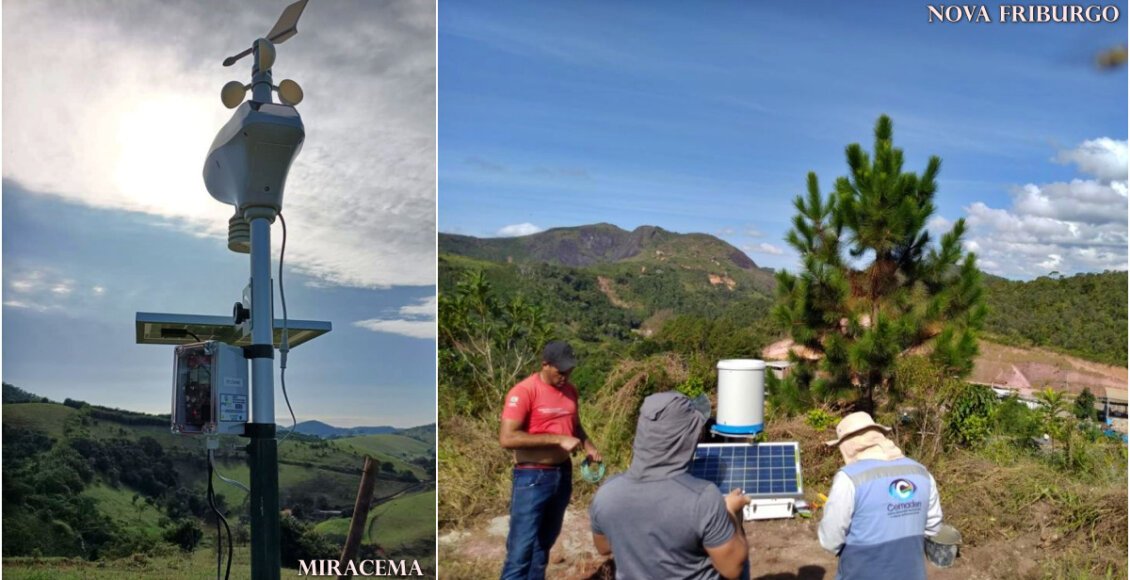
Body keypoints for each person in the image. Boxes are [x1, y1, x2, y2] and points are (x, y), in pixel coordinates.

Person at [589, 391, 751, 580]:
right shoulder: (703, 498)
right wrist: (730, 512)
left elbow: (603, 547)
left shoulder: (606, 493)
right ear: (686, 438)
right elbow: (733, 568)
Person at [498, 340, 602, 580]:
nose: (565, 376)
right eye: (560, 371)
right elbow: (507, 438)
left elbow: (575, 425)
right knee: (520, 551)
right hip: (532, 477)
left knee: (543, 544)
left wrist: (588, 445)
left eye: (569, 370)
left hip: (561, 474)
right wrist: (557, 440)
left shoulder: (570, 391)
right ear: (545, 364)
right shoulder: (523, 392)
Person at [818, 412, 943, 580]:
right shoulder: (921, 473)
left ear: (847, 445)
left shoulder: (849, 478)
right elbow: (933, 527)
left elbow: (830, 540)